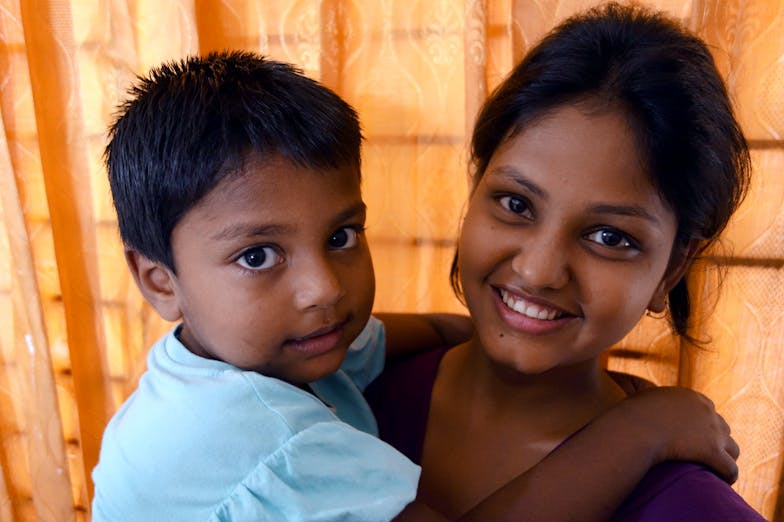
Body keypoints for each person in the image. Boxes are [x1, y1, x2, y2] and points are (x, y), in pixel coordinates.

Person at [92, 49, 741, 522]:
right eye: (258, 256)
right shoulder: (269, 441)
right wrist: (641, 430)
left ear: (674, 267)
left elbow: (423, 329)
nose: (324, 289)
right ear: (158, 281)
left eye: (341, 236)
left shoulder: (271, 353)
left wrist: (499, 326)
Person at [366, 3, 766, 521]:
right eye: (516, 204)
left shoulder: (695, 510)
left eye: (609, 237)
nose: (537, 271)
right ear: (475, 187)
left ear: (673, 268)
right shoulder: (324, 400)